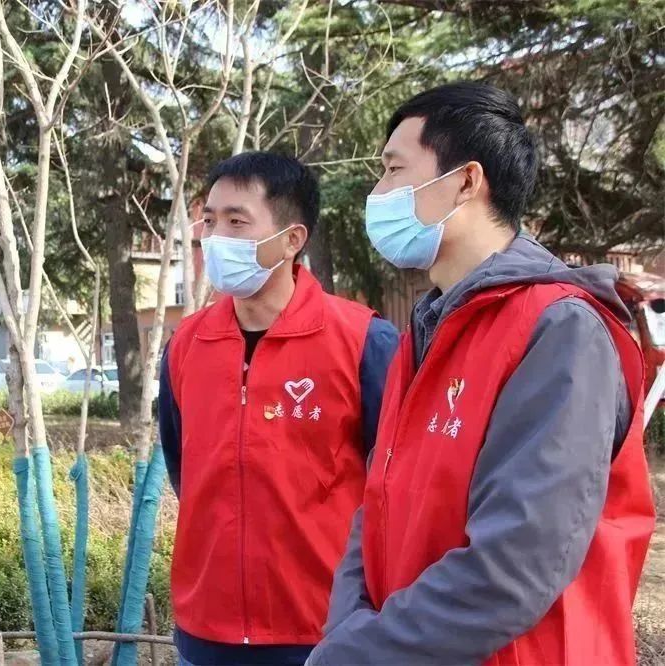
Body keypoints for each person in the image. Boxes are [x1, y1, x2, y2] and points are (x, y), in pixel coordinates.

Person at [308, 82, 655, 665]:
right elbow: (377, 504)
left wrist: (357, 653)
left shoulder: (560, 329)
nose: (378, 193)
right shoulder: (427, 329)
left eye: (394, 170)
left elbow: (516, 563)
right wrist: (347, 633)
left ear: (467, 181)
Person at [158, 152, 399, 666]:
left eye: (237, 221)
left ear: (292, 239)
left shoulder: (362, 341)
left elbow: (395, 486)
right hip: (206, 632)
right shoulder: (185, 346)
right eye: (209, 221)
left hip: (325, 630)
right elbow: (185, 470)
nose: (215, 237)